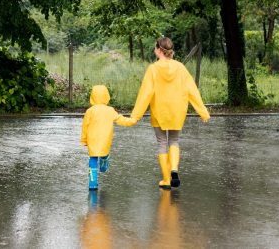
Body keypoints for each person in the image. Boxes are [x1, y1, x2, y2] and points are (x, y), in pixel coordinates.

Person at [131, 37, 210, 189]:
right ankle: (174, 170)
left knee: (162, 143)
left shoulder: (153, 69)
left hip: (160, 111)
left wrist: (136, 115)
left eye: (155, 48)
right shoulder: (180, 67)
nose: (154, 50)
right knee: (174, 141)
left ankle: (166, 179)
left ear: (159, 50)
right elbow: (192, 89)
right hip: (177, 110)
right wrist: (202, 111)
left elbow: (145, 94)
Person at [81, 85, 136, 190]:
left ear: (92, 96)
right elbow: (120, 119)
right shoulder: (110, 110)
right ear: (107, 96)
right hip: (105, 139)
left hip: (92, 139)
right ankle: (103, 166)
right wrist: (132, 121)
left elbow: (85, 126)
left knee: (92, 159)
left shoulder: (90, 111)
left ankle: (92, 183)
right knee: (104, 153)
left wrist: (84, 139)